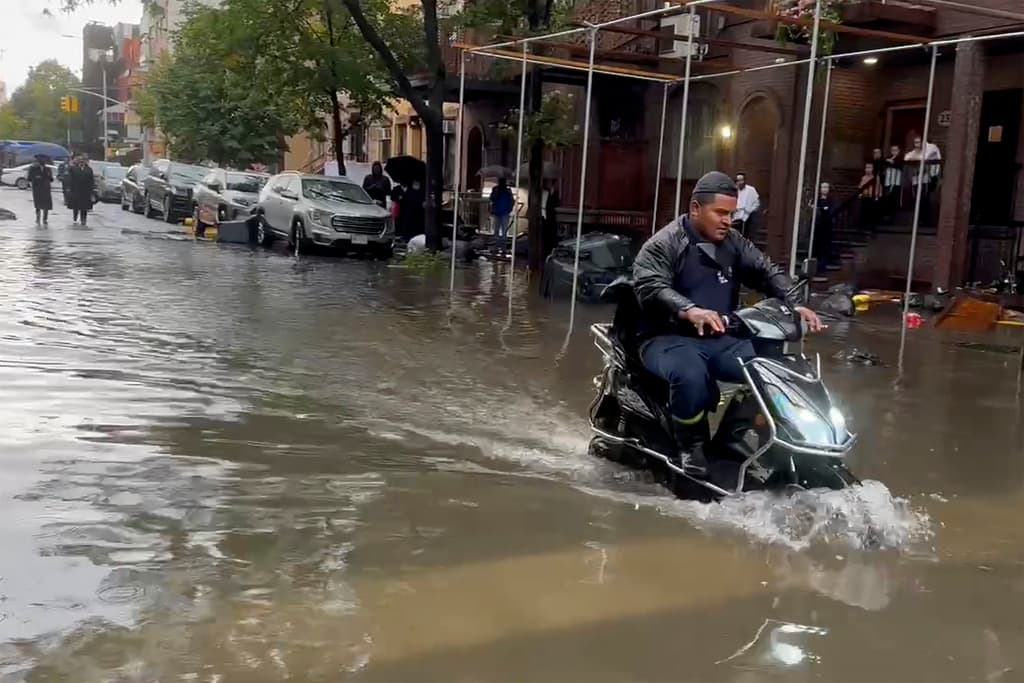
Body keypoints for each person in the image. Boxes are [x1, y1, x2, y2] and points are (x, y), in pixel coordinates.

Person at [633, 171, 822, 474]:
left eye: (731, 214)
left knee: (769, 368)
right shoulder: (663, 244)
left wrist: (794, 302)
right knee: (689, 375)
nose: (727, 221)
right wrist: (689, 309)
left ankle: (748, 436)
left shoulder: (734, 243)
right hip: (666, 338)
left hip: (719, 336)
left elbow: (766, 271)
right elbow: (650, 286)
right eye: (720, 213)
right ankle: (691, 446)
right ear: (695, 208)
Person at [67, 155, 96, 226]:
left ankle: (83, 220)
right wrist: (69, 189)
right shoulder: (74, 169)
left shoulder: (89, 169)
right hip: (76, 190)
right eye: (80, 160)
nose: (82, 162)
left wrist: (92, 191)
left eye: (83, 160)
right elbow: (70, 180)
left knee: (84, 207)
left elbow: (91, 181)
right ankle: (75, 219)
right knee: (76, 207)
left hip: (85, 191)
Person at [813, 182, 835, 270]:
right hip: (818, 226)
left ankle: (823, 263)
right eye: (823, 187)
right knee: (817, 244)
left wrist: (823, 209)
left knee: (825, 245)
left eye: (826, 187)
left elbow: (831, 211)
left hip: (827, 226)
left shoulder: (831, 200)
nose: (824, 189)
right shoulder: (817, 199)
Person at [489, 176, 514, 254]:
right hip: (501, 212)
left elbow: (492, 199)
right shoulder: (505, 190)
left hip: (500, 212)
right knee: (502, 230)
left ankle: (499, 248)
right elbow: (512, 201)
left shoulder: (504, 190)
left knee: (500, 230)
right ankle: (501, 248)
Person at [27, 155, 53, 226]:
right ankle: (38, 218)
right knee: (38, 205)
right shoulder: (32, 169)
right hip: (37, 189)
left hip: (46, 189)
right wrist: (36, 178)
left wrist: (46, 179)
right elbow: (29, 178)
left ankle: (45, 219)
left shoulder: (47, 169)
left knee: (46, 205)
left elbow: (51, 178)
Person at [732, 172, 760, 236]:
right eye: (738, 180)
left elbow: (756, 203)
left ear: (744, 181)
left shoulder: (751, 190)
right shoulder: (734, 190)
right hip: (735, 216)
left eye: (741, 180)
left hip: (748, 216)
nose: (740, 182)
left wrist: (749, 210)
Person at [540, 179, 561, 263]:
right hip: (543, 217)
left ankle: (549, 254)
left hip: (551, 218)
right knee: (544, 238)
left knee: (550, 237)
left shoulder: (555, 194)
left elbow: (555, 205)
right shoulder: (542, 192)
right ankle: (544, 255)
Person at [882, 145, 903, 219]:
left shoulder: (900, 159)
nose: (894, 152)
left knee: (892, 198)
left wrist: (892, 162)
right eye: (892, 150)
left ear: (898, 151)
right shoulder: (888, 158)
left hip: (895, 181)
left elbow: (900, 165)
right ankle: (886, 215)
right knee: (886, 197)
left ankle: (891, 215)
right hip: (888, 180)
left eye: (895, 150)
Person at [857, 162, 877, 230]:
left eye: (870, 168)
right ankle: (862, 226)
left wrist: (877, 195)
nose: (868, 169)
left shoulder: (876, 177)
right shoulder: (863, 178)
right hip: (865, 197)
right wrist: (860, 193)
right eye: (867, 168)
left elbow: (878, 187)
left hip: (872, 197)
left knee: (871, 212)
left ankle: (871, 226)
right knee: (863, 211)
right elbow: (861, 187)